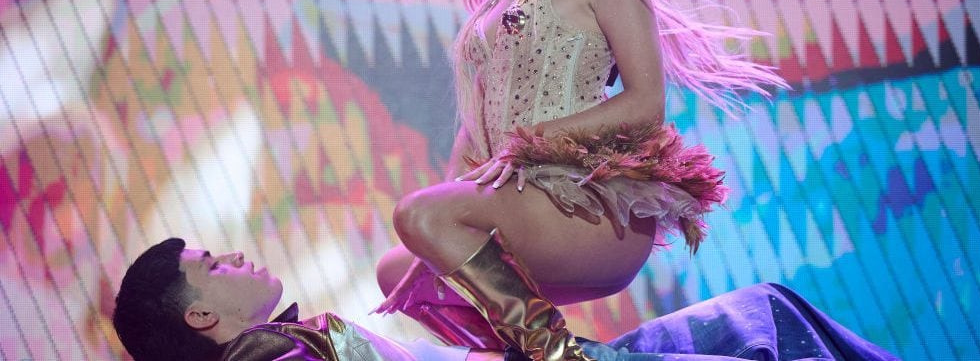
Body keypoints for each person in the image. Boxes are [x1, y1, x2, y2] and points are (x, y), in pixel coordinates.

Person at [356, 0, 788, 361]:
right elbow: (475, 140)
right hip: (521, 199)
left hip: (585, 201)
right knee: (400, 269)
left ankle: (560, 356)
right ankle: (529, 352)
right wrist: (455, 201)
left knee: (417, 214)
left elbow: (646, 103)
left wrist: (531, 144)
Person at [111, 238, 899, 361]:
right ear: (202, 315)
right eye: (213, 261)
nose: (235, 254)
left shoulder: (316, 339)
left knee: (766, 315)